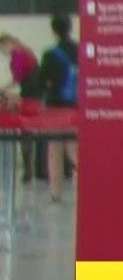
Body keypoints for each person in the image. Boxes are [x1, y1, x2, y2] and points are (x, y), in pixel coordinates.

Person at [37, 15, 81, 201]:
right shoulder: (80, 51)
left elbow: (41, 81)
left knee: (54, 150)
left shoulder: (50, 54)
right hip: (75, 107)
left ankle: (55, 192)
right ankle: (82, 189)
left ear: (54, 31)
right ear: (70, 28)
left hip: (55, 107)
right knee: (75, 150)